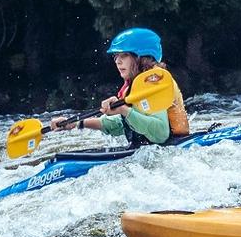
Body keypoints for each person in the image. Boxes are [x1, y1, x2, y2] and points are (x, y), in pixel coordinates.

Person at [56, 27, 191, 148]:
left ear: (142, 57)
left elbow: (161, 133)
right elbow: (121, 124)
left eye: (124, 55)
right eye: (116, 56)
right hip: (153, 150)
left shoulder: (154, 82)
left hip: (172, 147)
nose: (117, 61)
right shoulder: (135, 85)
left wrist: (124, 110)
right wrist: (77, 123)